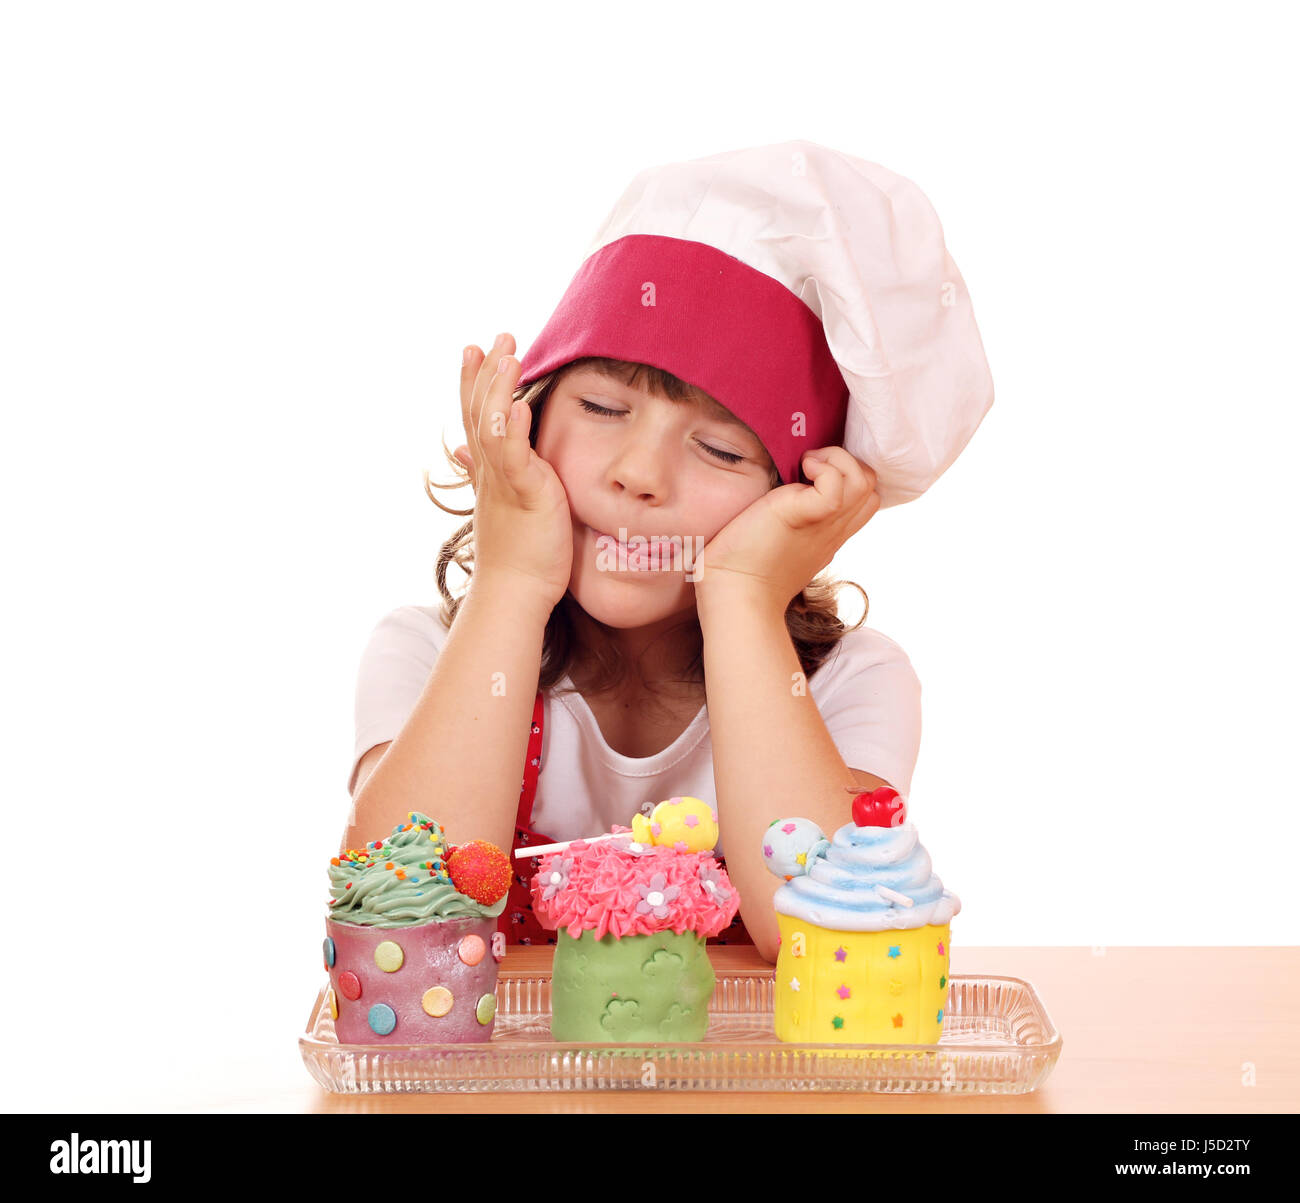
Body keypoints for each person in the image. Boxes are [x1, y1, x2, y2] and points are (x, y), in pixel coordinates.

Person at [342, 141, 994, 963]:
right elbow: (395, 929)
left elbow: (826, 952)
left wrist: (744, 593)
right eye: (603, 404)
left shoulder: (851, 684)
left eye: (721, 451)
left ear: (795, 494)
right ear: (530, 414)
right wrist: (510, 576)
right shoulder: (426, 655)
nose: (639, 475)